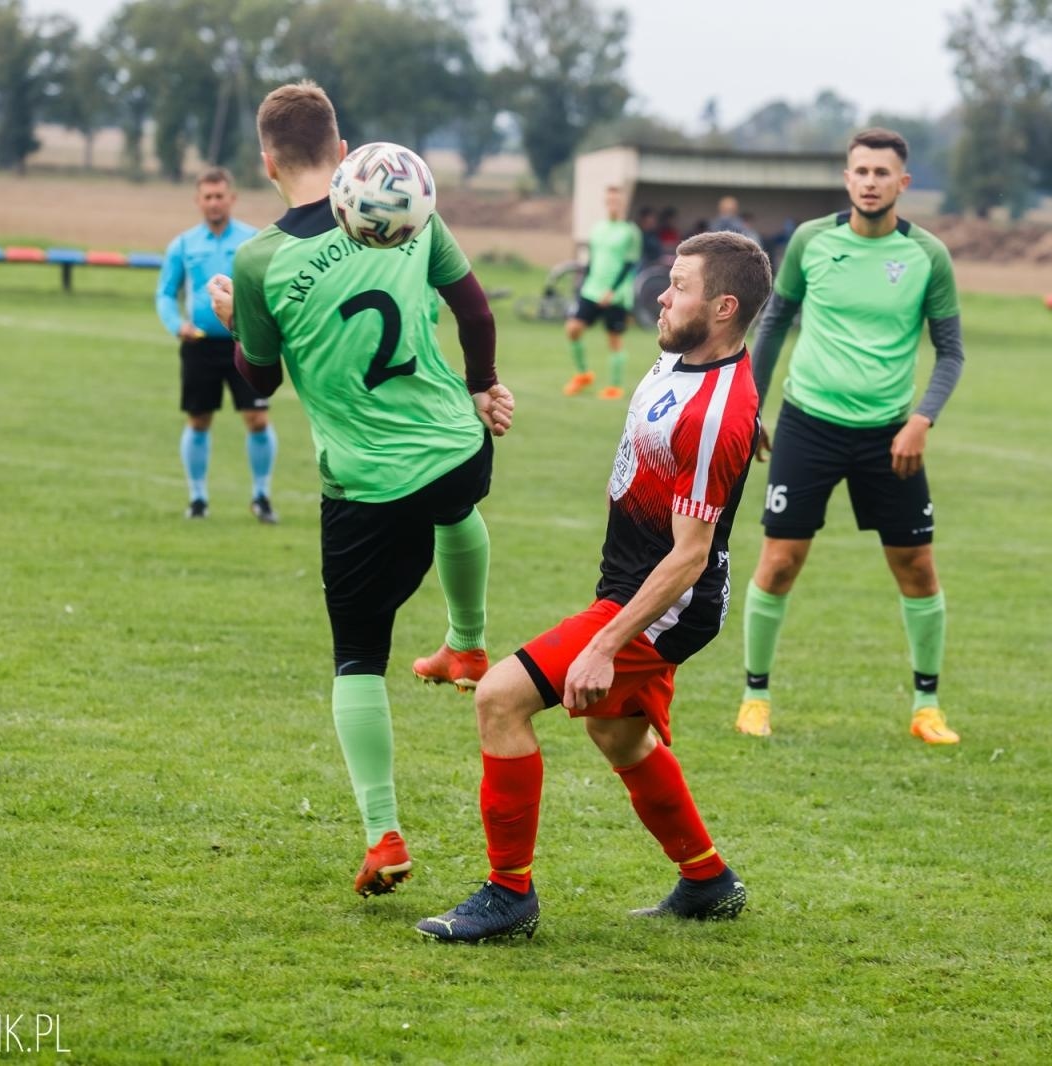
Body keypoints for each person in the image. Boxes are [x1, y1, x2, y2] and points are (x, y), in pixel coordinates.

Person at [416, 232, 772, 943]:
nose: (661, 296)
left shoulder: (714, 414)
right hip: (632, 581)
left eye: (679, 286)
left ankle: (508, 894)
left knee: (500, 699)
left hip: (664, 600)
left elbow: (690, 557)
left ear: (724, 307)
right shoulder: (690, 350)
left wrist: (607, 643)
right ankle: (707, 879)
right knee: (618, 732)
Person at [208, 81, 515, 899]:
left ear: (267, 163)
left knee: (357, 658)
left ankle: (383, 835)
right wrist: (482, 385)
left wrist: (238, 320)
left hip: (367, 486)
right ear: (342, 151)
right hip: (457, 445)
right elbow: (475, 311)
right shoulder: (404, 200)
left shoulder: (260, 260)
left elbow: (260, 382)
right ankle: (468, 638)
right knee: (458, 508)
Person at [734, 127, 967, 745]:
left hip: (890, 435)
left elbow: (950, 354)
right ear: (847, 178)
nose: (870, 182)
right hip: (808, 425)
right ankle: (754, 696)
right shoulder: (812, 242)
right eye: (860, 171)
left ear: (902, 184)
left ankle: (927, 708)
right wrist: (751, 406)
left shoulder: (927, 257)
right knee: (780, 562)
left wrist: (922, 420)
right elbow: (775, 323)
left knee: (917, 566)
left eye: (882, 173)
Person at [154, 166, 275, 521]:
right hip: (200, 347)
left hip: (245, 341)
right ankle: (197, 499)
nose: (214, 202)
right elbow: (164, 293)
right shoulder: (183, 245)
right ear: (198, 201)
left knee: (257, 419)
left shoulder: (253, 241)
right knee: (199, 420)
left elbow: (270, 286)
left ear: (231, 198)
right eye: (207, 197)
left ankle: (262, 496)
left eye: (219, 196)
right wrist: (178, 325)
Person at [564, 185, 643, 401]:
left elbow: (630, 265)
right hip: (592, 290)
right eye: (609, 200)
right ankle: (583, 375)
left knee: (614, 339)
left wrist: (612, 290)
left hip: (616, 295)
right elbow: (592, 260)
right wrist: (583, 284)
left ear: (623, 203)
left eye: (616, 200)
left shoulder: (631, 232)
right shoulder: (598, 228)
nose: (613, 204)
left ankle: (615, 387)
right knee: (573, 329)